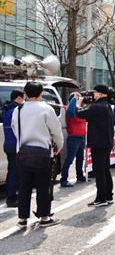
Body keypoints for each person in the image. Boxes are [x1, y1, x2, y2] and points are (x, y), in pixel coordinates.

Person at [12, 82, 63, 227]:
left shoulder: (19, 109)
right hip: (43, 153)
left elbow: (15, 129)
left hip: (23, 153)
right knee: (43, 185)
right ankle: (44, 217)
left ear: (25, 94)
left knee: (24, 186)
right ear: (41, 93)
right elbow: (56, 131)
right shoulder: (46, 109)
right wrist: (58, 146)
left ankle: (22, 219)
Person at [75, 84, 115, 207]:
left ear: (102, 94)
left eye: (95, 92)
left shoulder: (98, 106)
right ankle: (108, 195)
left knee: (99, 171)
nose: (93, 94)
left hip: (99, 143)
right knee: (105, 169)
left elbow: (80, 114)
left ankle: (101, 198)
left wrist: (78, 104)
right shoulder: (107, 105)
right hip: (106, 142)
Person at [2, 89, 24, 207]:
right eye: (23, 98)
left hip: (8, 143)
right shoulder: (15, 110)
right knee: (15, 173)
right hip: (15, 144)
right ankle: (12, 198)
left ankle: (11, 196)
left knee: (12, 172)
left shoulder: (6, 109)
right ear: (19, 98)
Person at [60, 93, 87, 187]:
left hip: (81, 136)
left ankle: (79, 175)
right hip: (73, 137)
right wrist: (74, 100)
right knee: (69, 159)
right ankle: (63, 179)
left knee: (80, 158)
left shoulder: (80, 110)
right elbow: (70, 110)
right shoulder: (70, 110)